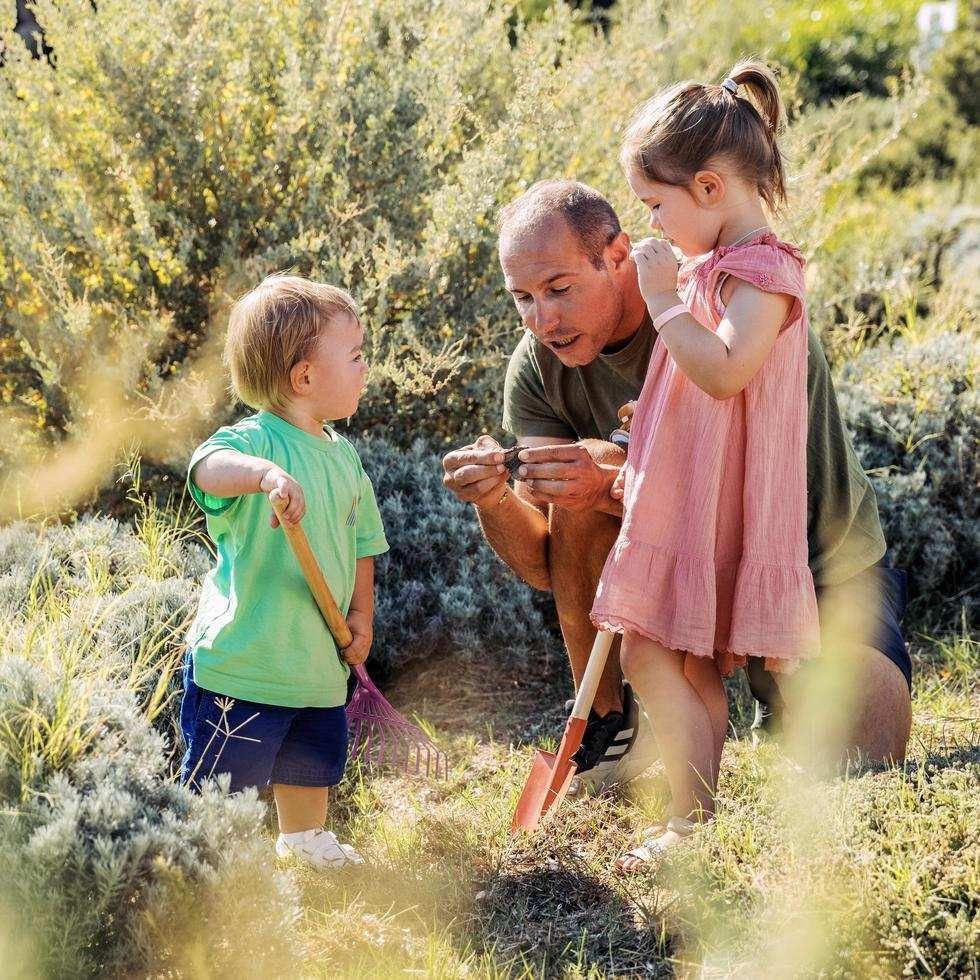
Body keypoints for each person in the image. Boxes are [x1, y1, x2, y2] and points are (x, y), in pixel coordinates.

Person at [442, 190, 911, 790]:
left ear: (617, 256)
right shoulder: (537, 365)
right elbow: (547, 564)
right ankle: (608, 723)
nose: (542, 321)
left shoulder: (723, 309)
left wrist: (613, 477)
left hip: (806, 559)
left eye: (559, 290)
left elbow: (733, 483)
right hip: (687, 575)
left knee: (867, 765)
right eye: (523, 298)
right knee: (574, 494)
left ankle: (778, 693)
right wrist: (496, 498)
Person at [181, 274, 389, 870]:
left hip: (315, 659)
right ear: (303, 377)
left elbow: (363, 544)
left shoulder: (344, 456)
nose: (365, 367)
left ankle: (304, 840)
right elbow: (207, 468)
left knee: (310, 755)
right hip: (247, 661)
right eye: (354, 357)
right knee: (225, 782)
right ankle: (213, 857)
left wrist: (360, 618)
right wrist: (264, 475)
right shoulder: (254, 442)